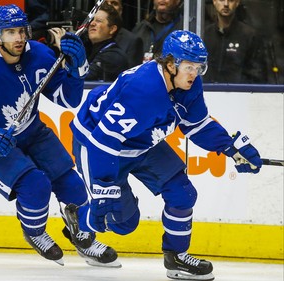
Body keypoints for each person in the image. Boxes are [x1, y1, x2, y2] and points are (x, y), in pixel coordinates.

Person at [63, 30, 263, 281]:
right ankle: (79, 221)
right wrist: (103, 186)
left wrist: (231, 148)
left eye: (199, 67)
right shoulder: (143, 91)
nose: (194, 73)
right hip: (97, 143)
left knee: (182, 193)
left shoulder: (188, 83)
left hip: (142, 141)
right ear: (169, 64)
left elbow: (197, 125)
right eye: (189, 66)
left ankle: (176, 257)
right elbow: (104, 141)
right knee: (122, 222)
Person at [0, 4, 120, 268]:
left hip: (33, 131)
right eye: (10, 32)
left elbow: (67, 99)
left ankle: (83, 236)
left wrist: (77, 68)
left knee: (71, 183)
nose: (18, 38)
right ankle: (35, 232)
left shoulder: (39, 55)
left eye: (21, 31)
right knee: (35, 185)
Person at [203, 0, 267, 83]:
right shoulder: (205, 34)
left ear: (237, 2)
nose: (226, 4)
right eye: (221, 0)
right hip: (208, 92)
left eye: (231, 0)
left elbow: (258, 76)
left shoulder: (250, 36)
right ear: (214, 1)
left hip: (240, 93)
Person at [83, 2, 129, 82]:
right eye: (92, 20)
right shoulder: (89, 49)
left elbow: (82, 78)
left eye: (99, 21)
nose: (92, 24)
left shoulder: (113, 56)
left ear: (112, 29)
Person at [105, 0, 144, 68]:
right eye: (105, 4)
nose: (109, 7)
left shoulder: (132, 41)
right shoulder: (90, 36)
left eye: (114, 3)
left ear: (121, 10)